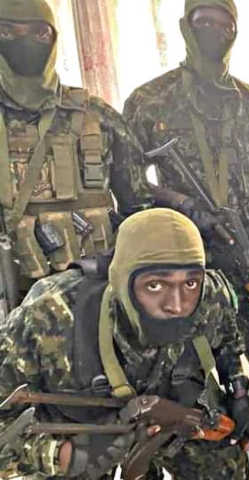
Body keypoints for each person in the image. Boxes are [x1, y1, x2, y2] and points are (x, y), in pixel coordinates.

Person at [122, 1, 249, 478]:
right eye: (202, 21)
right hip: (181, 264)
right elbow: (129, 184)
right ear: (185, 27)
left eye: (223, 23)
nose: (213, 30)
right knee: (182, 369)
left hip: (247, 253)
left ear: (235, 31)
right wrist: (183, 203)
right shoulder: (148, 101)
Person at [0, 208, 249, 479]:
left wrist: (237, 388)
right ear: (122, 281)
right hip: (85, 438)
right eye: (155, 285)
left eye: (190, 283)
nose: (177, 305)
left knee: (227, 469)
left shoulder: (210, 294)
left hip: (177, 417)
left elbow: (227, 339)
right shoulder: (48, 316)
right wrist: (60, 456)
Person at [0, 0, 150, 304]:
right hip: (13, 300)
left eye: (39, 33)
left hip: (94, 294)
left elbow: (139, 209)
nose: (24, 42)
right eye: (7, 32)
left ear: (54, 39)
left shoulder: (98, 116)